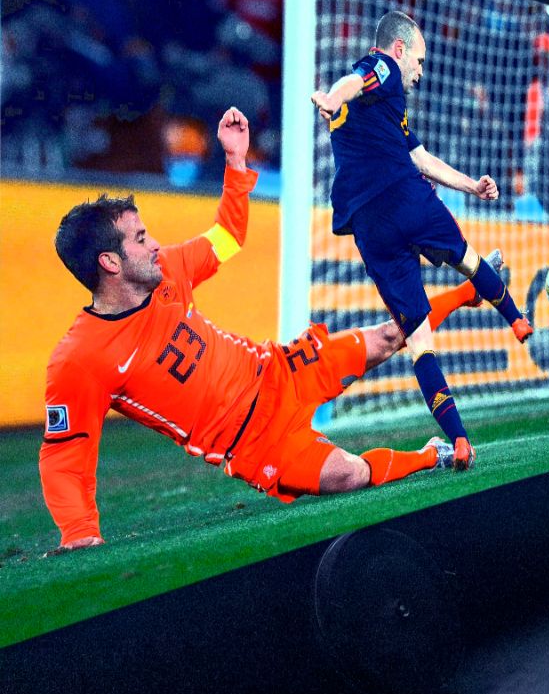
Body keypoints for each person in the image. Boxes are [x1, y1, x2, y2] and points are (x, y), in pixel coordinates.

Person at [38, 109, 482, 549]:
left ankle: (469, 291)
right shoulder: (81, 358)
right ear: (110, 263)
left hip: (278, 369)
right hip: (254, 442)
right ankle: (431, 455)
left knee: (389, 335)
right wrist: (80, 530)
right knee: (348, 475)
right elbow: (65, 452)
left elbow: (227, 236)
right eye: (139, 239)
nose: (154, 244)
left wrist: (235, 161)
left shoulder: (167, 268)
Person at [310, 10, 531, 469]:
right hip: (402, 197)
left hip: (367, 227)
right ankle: (515, 319)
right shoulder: (382, 67)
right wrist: (331, 96)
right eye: (420, 60)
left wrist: (471, 186)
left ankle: (460, 440)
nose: (421, 72)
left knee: (418, 338)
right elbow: (355, 81)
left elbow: (422, 157)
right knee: (468, 258)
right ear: (399, 49)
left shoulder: (387, 108)